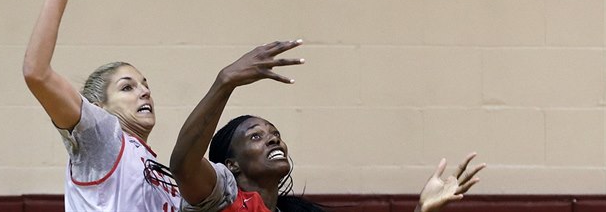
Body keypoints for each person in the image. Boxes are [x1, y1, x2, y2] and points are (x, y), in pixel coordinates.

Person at [170, 40, 485, 212]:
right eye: (256, 136)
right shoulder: (219, 200)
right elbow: (184, 165)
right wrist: (225, 82)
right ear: (231, 164)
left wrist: (423, 210)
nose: (273, 141)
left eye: (275, 135)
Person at [23, 0, 181, 212]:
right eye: (127, 87)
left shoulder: (160, 173)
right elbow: (36, 73)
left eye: (145, 85)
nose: (144, 92)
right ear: (99, 107)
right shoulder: (103, 138)